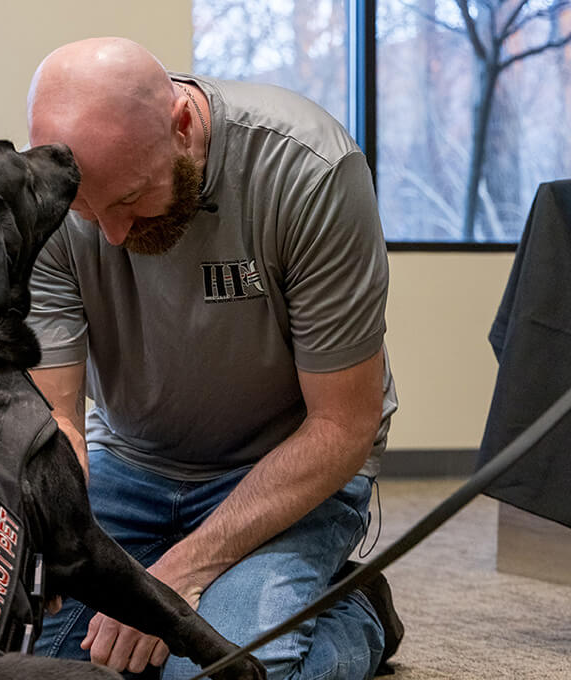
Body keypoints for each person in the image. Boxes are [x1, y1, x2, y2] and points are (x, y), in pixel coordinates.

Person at [24, 37, 402, 680]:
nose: (112, 235)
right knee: (20, 657)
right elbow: (58, 421)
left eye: (129, 200)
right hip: (130, 464)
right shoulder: (51, 201)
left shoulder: (309, 171)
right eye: (89, 209)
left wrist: (177, 576)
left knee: (213, 671)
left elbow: (344, 425)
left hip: (282, 471)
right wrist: (50, 541)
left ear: (181, 125)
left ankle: (354, 609)